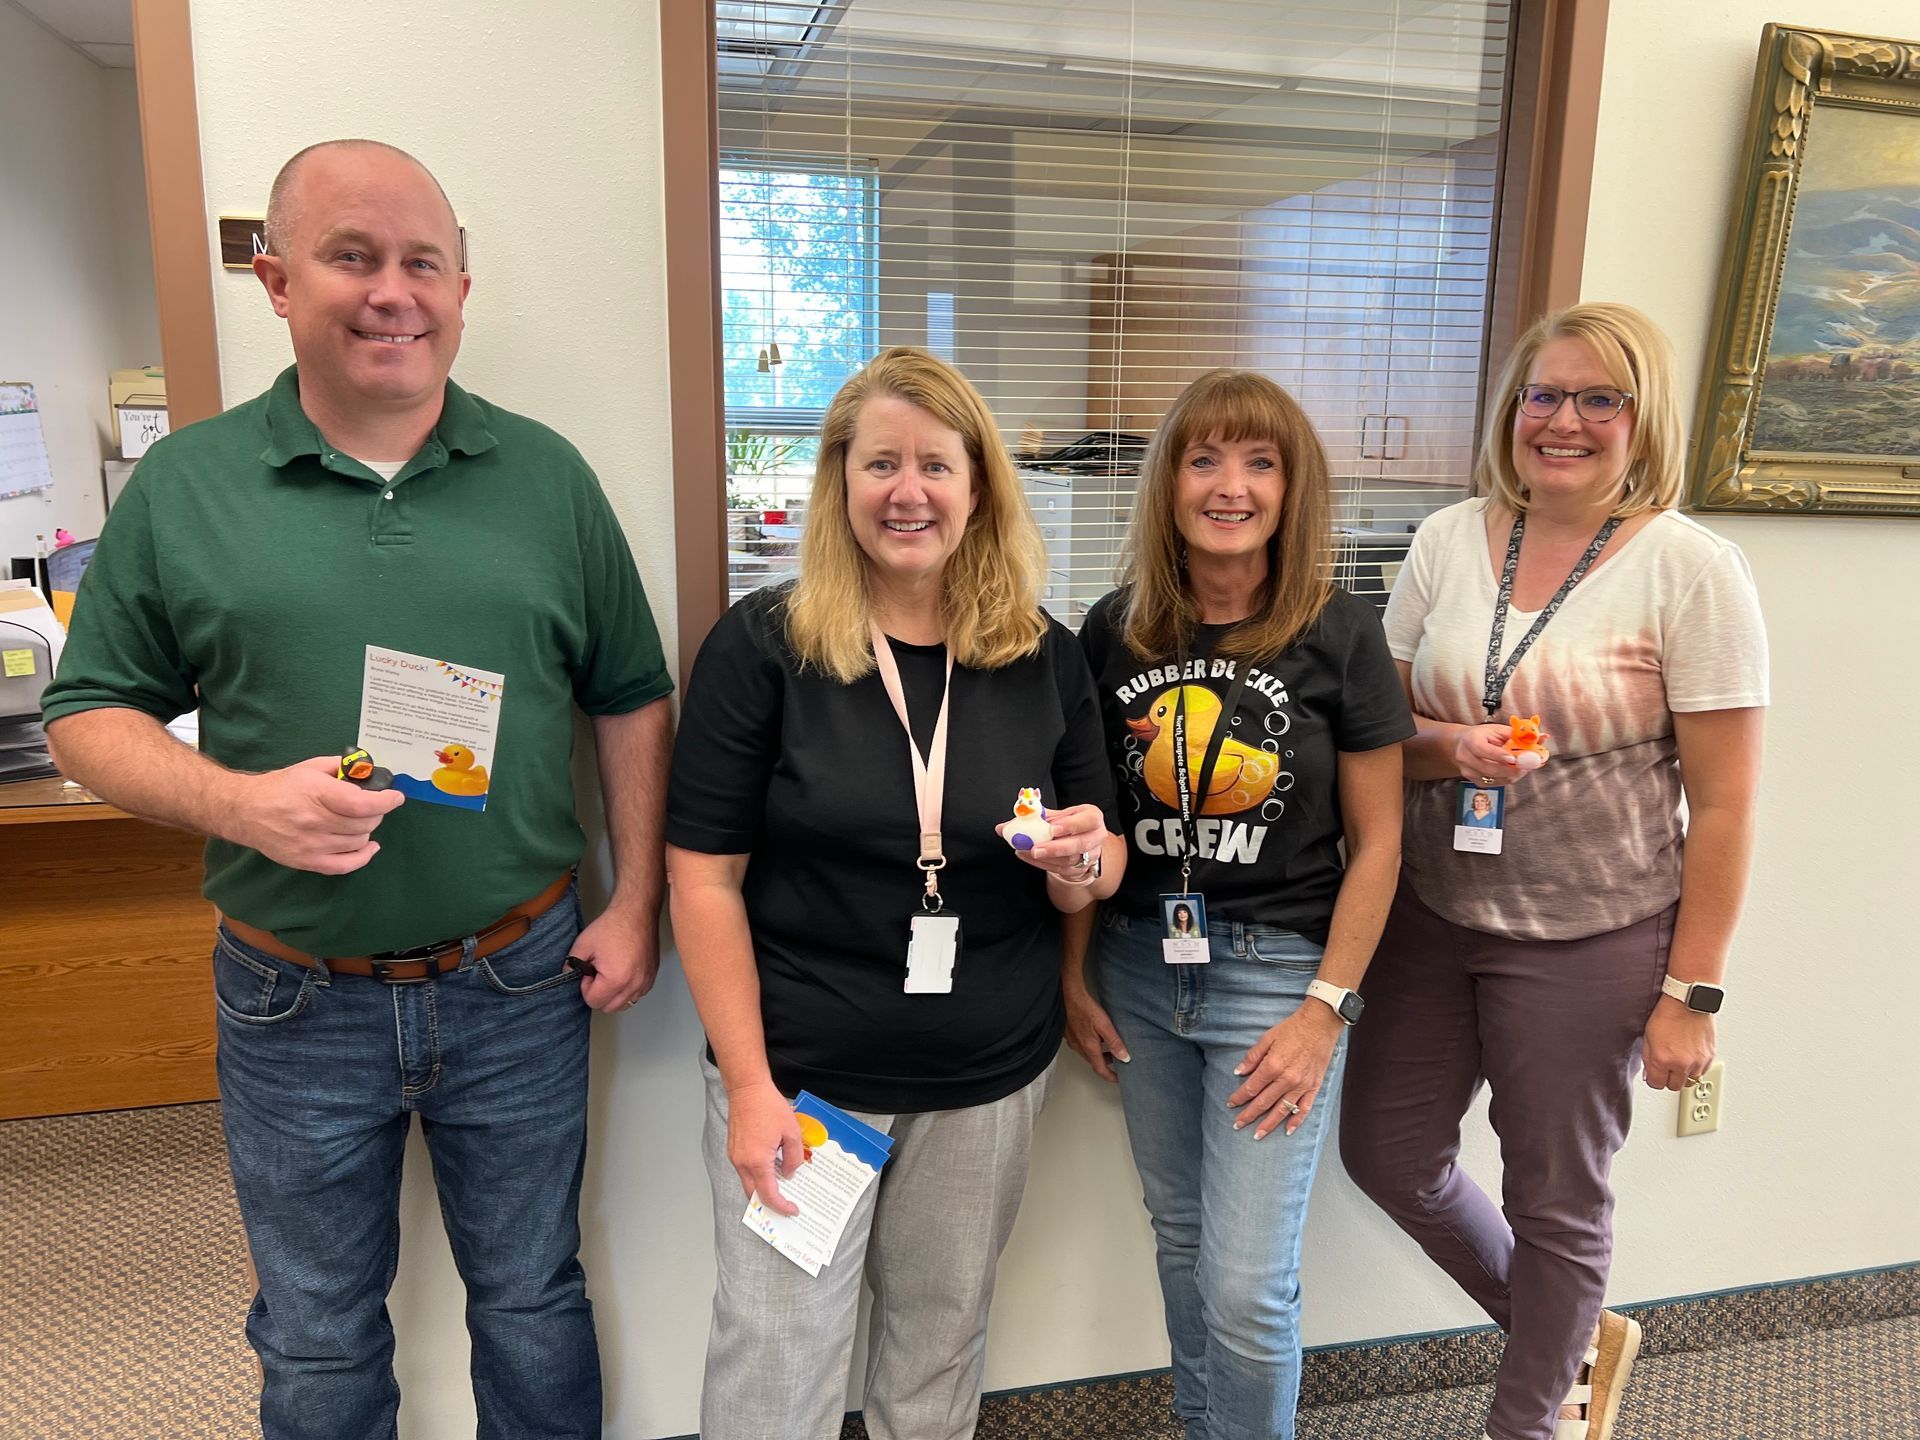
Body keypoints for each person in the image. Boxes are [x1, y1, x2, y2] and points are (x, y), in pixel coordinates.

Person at [41, 140, 673, 1440]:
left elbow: (630, 694)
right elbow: (83, 716)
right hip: (291, 1001)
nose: (394, 293)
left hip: (520, 977)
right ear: (275, 281)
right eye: (352, 258)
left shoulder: (547, 480)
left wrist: (638, 899)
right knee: (320, 1340)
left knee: (534, 1301)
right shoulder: (186, 490)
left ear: (461, 289)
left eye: (421, 263)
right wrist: (240, 803)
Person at [666, 346, 1123, 1440]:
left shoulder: (1041, 656)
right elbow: (704, 878)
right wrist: (750, 1089)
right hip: (805, 1088)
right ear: (839, 483)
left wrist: (1080, 863)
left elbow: (1097, 865)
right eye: (880, 464)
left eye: (935, 465)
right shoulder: (764, 648)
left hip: (985, 1081)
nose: (907, 491)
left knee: (937, 1347)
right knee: (778, 1364)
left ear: (978, 489)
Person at [1338, 303, 1768, 1440]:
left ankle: (1533, 1420)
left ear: (1641, 421)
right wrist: (1449, 749)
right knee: (1385, 1154)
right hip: (1432, 911)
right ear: (1511, 408)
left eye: (1597, 399)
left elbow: (1724, 807)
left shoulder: (1691, 570)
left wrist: (1691, 993)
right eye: (1543, 394)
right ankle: (1574, 1335)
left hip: (1593, 931)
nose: (1563, 421)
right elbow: (1385, 736)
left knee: (1555, 1201)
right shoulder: (1447, 539)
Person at [1066, 370, 1412, 1438]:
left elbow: (1382, 840)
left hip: (1276, 977)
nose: (1231, 486)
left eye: (1260, 462)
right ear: (1168, 482)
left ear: (1291, 487)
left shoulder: (1340, 633)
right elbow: (1093, 826)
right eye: (1205, 459)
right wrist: (1072, 973)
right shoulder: (1112, 629)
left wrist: (1325, 1011)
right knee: (1181, 1241)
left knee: (1248, 1287)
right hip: (1135, 963)